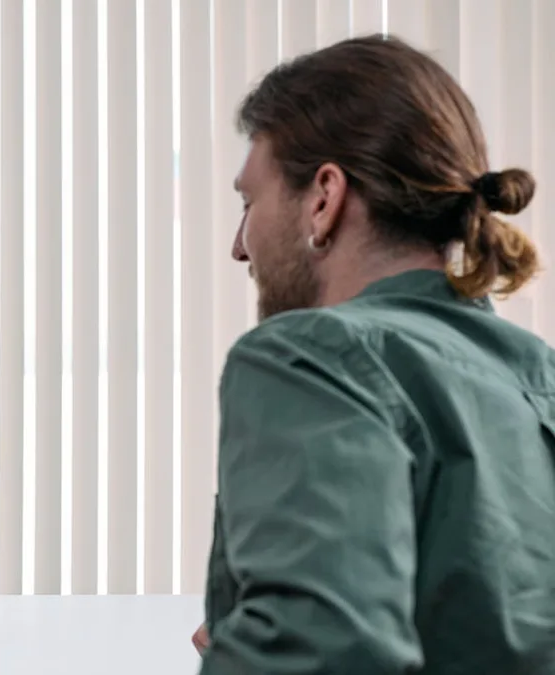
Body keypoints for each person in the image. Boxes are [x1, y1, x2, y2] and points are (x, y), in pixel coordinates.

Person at [196, 35, 555, 673]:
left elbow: (322, 655)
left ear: (325, 196)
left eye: (249, 202)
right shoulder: (535, 373)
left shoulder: (310, 355)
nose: (239, 248)